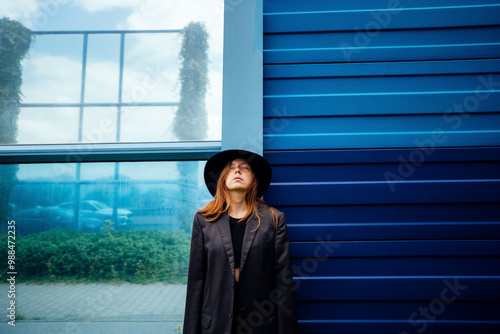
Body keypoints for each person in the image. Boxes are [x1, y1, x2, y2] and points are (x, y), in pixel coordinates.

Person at [183, 149, 299, 334]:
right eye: (231, 168)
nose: (237, 171)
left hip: (260, 324)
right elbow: (196, 282)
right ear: (222, 179)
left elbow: (283, 282)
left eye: (244, 168)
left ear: (254, 179)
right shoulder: (204, 220)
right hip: (214, 325)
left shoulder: (274, 219)